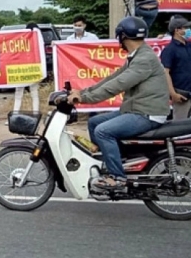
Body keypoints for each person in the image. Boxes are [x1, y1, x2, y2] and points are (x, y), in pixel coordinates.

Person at [67, 16, 171, 191]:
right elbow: (112, 78)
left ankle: (118, 178)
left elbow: (118, 85)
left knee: (103, 131)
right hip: (136, 109)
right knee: (94, 122)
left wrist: (84, 99)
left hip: (147, 113)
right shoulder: (137, 55)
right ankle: (113, 162)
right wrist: (82, 92)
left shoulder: (144, 59)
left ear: (122, 36)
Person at [12, 24, 41, 118]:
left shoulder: (20, 41)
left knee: (18, 94)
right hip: (34, 69)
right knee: (34, 93)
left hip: (22, 70)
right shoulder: (39, 41)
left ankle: (15, 115)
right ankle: (35, 114)